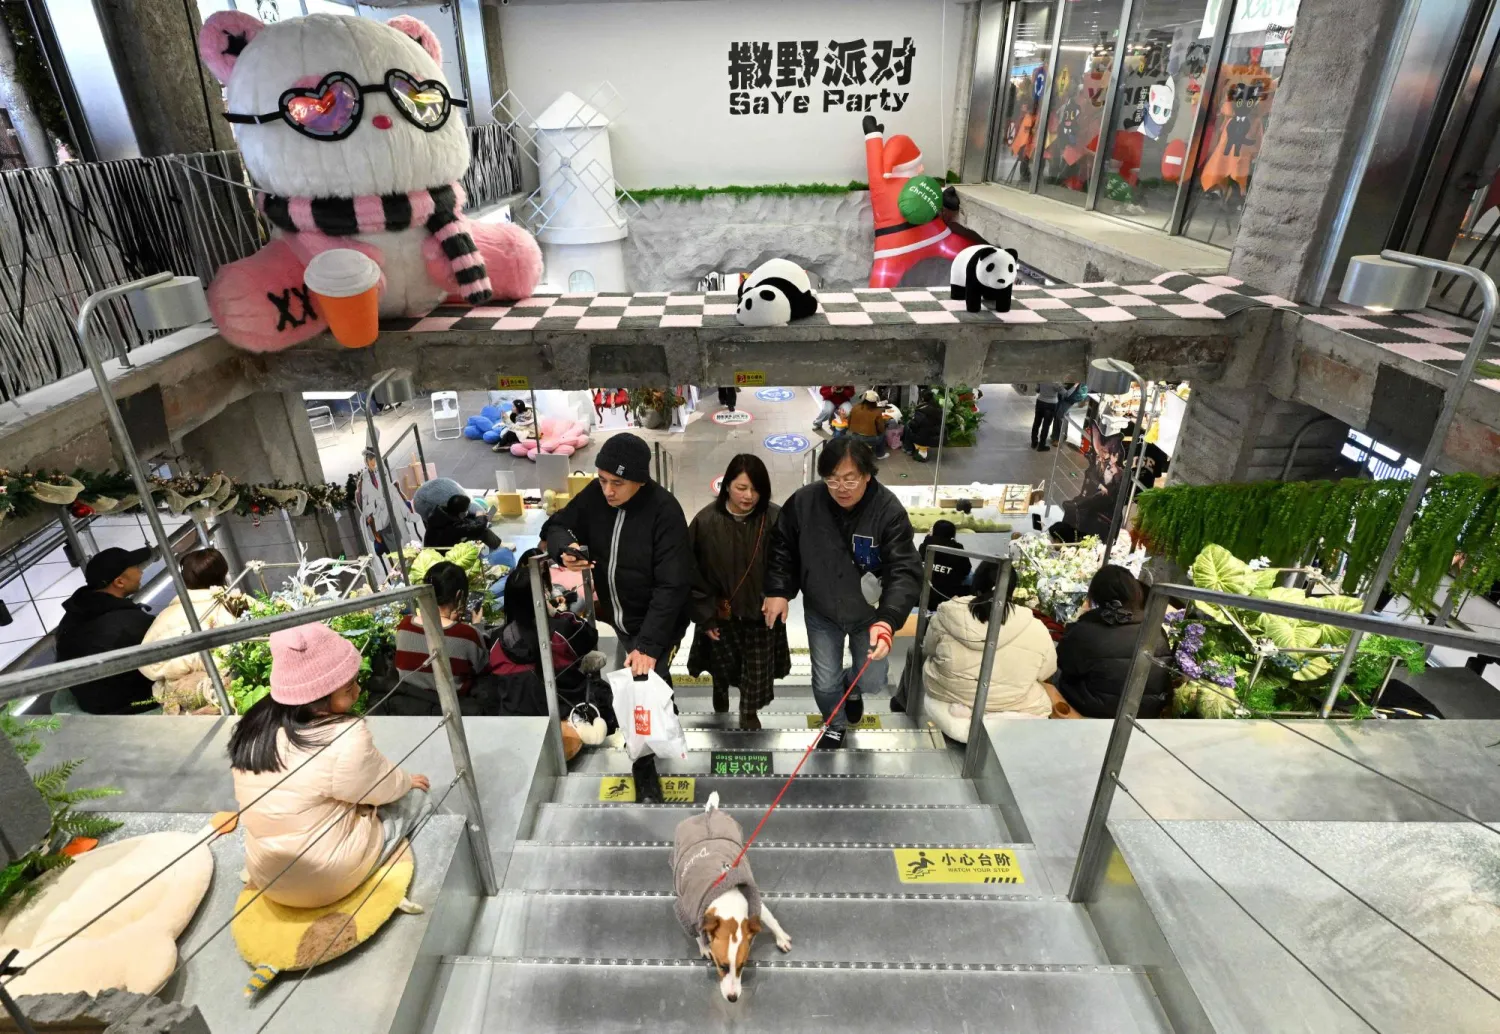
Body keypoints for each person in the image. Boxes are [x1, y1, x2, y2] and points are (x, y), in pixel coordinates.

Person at [229, 622, 431, 909]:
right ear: (319, 697)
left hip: (268, 874)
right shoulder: (345, 737)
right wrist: (407, 781)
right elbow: (379, 785)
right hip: (325, 880)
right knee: (415, 798)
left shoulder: (254, 726)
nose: (359, 690)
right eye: (349, 687)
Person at [544, 432, 691, 800]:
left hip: (660, 622)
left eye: (618, 483)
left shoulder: (665, 512)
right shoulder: (596, 497)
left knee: (642, 683)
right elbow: (556, 525)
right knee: (652, 683)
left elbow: (671, 587)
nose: (608, 490)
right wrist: (566, 550)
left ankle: (643, 765)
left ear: (640, 481)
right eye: (603, 480)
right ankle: (665, 703)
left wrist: (649, 645)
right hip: (619, 616)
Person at [764, 437, 922, 749]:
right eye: (832, 479)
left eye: (850, 478)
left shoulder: (888, 511)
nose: (841, 488)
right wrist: (778, 590)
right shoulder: (804, 503)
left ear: (867, 475)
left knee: (874, 679)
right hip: (822, 611)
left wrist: (888, 620)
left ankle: (852, 686)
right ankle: (834, 725)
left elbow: (903, 568)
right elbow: (781, 547)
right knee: (824, 681)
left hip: (870, 615)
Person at [685, 455, 790, 731]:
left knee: (755, 673)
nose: (749, 496)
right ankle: (720, 694)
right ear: (727, 485)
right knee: (722, 666)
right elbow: (690, 573)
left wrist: (781, 594)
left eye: (756, 489)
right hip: (721, 613)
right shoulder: (705, 522)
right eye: (741, 487)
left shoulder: (776, 519)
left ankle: (748, 711)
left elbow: (789, 563)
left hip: (761, 615)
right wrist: (705, 616)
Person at [921, 562, 1054, 742]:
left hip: (950, 698)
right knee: (1039, 692)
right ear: (1013, 589)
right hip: (1012, 703)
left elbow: (928, 650)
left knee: (920, 656)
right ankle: (996, 717)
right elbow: (1047, 671)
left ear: (976, 583)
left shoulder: (947, 614)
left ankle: (905, 706)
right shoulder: (1035, 626)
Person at [488, 549, 602, 719]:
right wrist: (556, 613)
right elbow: (590, 637)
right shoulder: (561, 631)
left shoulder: (496, 639)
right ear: (542, 597)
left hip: (514, 714)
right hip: (564, 710)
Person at [53, 546, 158, 714]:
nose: (141, 572)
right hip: (128, 704)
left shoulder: (72, 615)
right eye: (136, 569)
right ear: (119, 582)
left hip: (86, 698)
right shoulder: (131, 623)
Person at [1055, 565, 1170, 719]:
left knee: (1052, 671)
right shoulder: (1156, 630)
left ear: (1097, 594)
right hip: (1143, 713)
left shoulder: (1087, 630)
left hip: (1094, 710)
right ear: (1135, 593)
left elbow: (1064, 663)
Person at [139, 548, 239, 715]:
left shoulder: (164, 617)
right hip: (227, 695)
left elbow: (147, 663)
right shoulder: (235, 607)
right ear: (224, 573)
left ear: (185, 580)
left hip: (181, 704)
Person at [389, 561, 493, 715]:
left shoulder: (404, 626)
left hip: (408, 709)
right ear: (459, 595)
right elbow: (483, 668)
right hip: (453, 712)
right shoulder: (468, 635)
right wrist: (477, 628)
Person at [356, 447, 407, 554]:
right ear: (366, 461)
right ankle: (398, 557)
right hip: (377, 515)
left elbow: (389, 489)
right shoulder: (364, 479)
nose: (373, 463)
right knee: (391, 535)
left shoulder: (382, 472)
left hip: (389, 508)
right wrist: (375, 504)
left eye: (375, 460)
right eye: (371, 460)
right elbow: (364, 505)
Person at [917, 520, 971, 606]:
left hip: (921, 595)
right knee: (970, 575)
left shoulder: (924, 546)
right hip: (947, 596)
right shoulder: (957, 548)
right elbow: (966, 570)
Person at [423, 493, 502, 551]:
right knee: (483, 531)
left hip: (435, 546)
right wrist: (480, 517)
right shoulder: (454, 526)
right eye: (467, 509)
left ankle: (496, 545)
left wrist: (476, 516)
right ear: (461, 512)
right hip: (443, 551)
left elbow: (464, 520)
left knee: (472, 522)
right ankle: (499, 548)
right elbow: (478, 528)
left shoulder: (441, 514)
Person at [844, 390, 890, 459]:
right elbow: (880, 429)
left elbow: (849, 421)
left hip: (854, 436)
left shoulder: (855, 407)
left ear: (864, 398)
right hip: (869, 439)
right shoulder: (877, 411)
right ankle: (880, 454)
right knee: (883, 434)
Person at [902, 389, 944, 462]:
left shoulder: (922, 410)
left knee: (907, 426)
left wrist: (910, 420)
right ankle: (910, 448)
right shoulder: (937, 407)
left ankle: (908, 449)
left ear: (922, 398)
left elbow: (914, 425)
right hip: (936, 433)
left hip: (924, 436)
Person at [1052, 383, 1085, 447]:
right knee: (1058, 415)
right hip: (1064, 393)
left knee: (1059, 415)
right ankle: (1057, 436)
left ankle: (1059, 438)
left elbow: (1068, 393)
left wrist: (1075, 385)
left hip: (1069, 395)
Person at [1032, 383, 1061, 451]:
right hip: (1051, 404)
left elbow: (1037, 390)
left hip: (1040, 401)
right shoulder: (1056, 382)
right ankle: (1041, 445)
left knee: (1036, 423)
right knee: (1046, 425)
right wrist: (1075, 385)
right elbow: (1065, 393)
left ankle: (1033, 443)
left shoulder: (1042, 377)